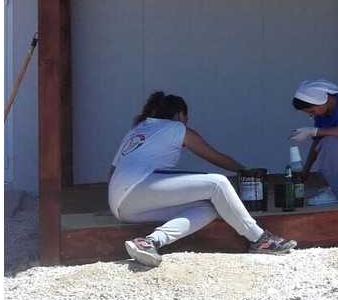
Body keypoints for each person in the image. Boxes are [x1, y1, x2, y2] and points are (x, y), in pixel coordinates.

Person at [108, 91, 297, 268]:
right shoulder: (176, 127)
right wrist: (245, 170)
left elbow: (111, 173)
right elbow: (215, 157)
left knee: (208, 207)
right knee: (218, 183)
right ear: (180, 115)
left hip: (122, 207)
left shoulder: (136, 131)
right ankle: (260, 239)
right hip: (139, 186)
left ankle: (150, 242)